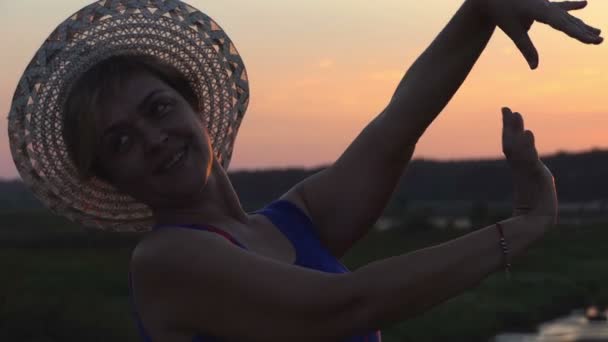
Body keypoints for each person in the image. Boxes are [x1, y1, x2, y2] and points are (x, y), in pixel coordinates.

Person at [7, 0, 601, 341]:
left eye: (159, 108)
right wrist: (523, 229)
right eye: (121, 142)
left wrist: (478, 11)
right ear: (111, 179)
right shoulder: (166, 262)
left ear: (196, 110)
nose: (154, 138)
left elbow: (399, 121)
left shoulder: (291, 223)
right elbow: (347, 304)